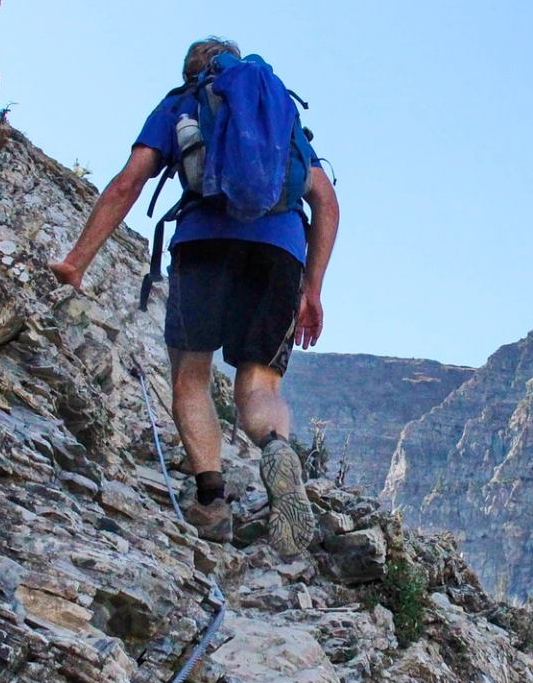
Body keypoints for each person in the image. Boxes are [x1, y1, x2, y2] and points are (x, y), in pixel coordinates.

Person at [49, 38, 339, 554]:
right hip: (280, 250)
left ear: (191, 71)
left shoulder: (182, 102)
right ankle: (275, 447)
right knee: (259, 381)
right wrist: (312, 287)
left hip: (204, 243)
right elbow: (325, 200)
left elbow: (127, 183)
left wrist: (76, 262)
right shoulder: (277, 112)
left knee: (191, 374)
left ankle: (211, 502)